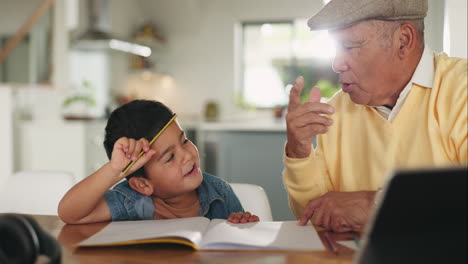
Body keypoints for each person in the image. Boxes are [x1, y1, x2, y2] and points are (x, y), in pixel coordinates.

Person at [283, 0, 467, 232]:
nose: (336, 64)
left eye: (349, 47)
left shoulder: (462, 89)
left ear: (403, 41)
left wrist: (376, 204)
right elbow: (312, 218)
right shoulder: (335, 110)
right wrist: (299, 152)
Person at [58, 100, 259, 224]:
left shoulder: (221, 194)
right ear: (143, 184)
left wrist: (242, 225)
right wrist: (114, 170)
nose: (187, 155)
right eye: (170, 157)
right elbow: (70, 213)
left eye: (185, 141)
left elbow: (239, 247)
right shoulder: (131, 201)